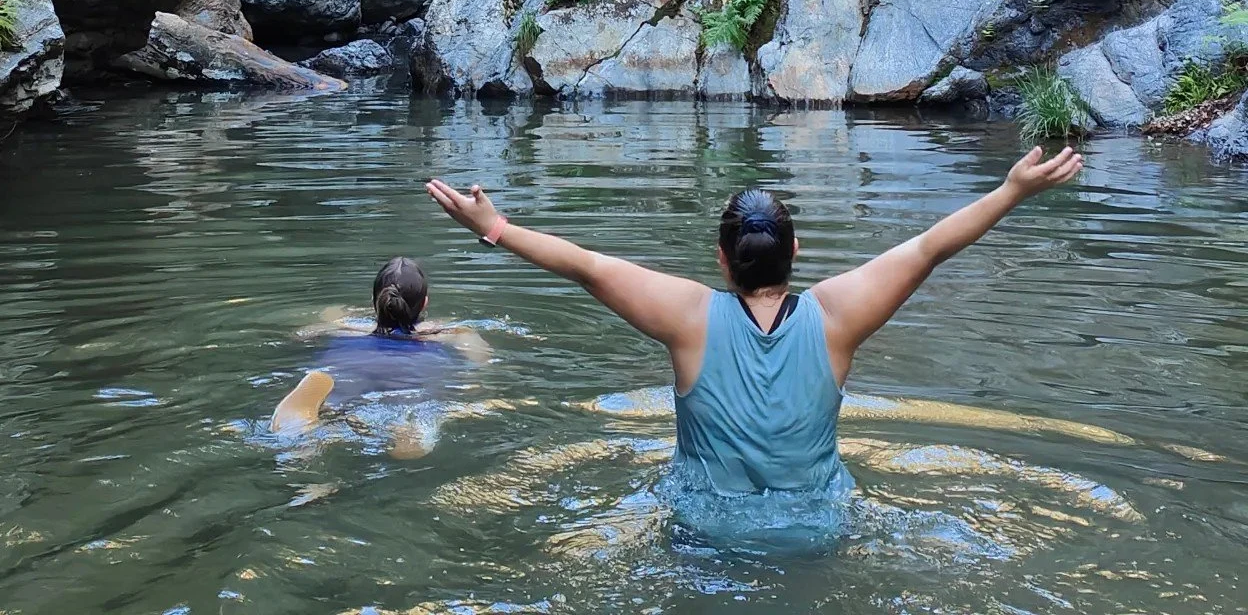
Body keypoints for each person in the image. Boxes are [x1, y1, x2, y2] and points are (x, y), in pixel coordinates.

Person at [425, 144, 1083, 499]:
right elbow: (929, 248)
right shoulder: (836, 317)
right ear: (796, 251)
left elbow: (587, 266)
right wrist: (1010, 191)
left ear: (721, 257)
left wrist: (496, 227)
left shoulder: (690, 318)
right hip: (816, 531)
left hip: (705, 536)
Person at [270, 256, 490, 443]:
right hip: (417, 364)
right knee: (412, 408)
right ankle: (410, 432)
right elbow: (482, 359)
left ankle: (309, 431)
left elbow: (300, 336)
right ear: (424, 303)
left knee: (336, 408)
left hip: (352, 355)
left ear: (374, 301)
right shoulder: (447, 333)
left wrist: (333, 319)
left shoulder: (347, 327)